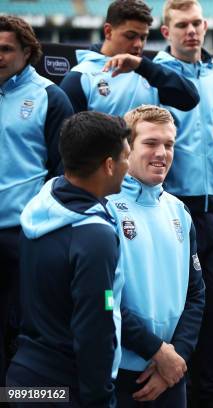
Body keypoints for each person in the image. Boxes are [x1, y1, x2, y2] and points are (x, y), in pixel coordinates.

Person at [152, 2, 213, 406]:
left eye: (196, 23)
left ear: (206, 26)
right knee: (176, 310)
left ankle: (212, 396)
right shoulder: (154, 78)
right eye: (181, 25)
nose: (190, 31)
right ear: (166, 31)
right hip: (173, 211)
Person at [6, 111, 131, 406]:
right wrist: (100, 399)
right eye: (126, 157)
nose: (129, 165)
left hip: (21, 379)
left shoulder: (41, 203)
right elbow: (94, 326)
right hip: (64, 389)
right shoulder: (95, 236)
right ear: (109, 165)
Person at [105, 105, 205, 407]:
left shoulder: (179, 211)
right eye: (150, 143)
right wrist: (157, 351)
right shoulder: (104, 207)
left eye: (169, 144)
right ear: (127, 147)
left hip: (170, 374)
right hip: (118, 374)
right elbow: (104, 296)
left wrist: (176, 357)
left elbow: (196, 294)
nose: (162, 153)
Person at [0, 15, 74, 387]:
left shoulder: (50, 95)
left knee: (25, 331)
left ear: (27, 52)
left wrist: (39, 219)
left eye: (6, 49)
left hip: (25, 234)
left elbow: (63, 170)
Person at [60, 0, 199, 116]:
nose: (138, 44)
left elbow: (190, 99)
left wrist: (142, 67)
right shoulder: (81, 77)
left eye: (143, 37)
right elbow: (69, 142)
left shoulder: (150, 73)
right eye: (130, 36)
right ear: (108, 31)